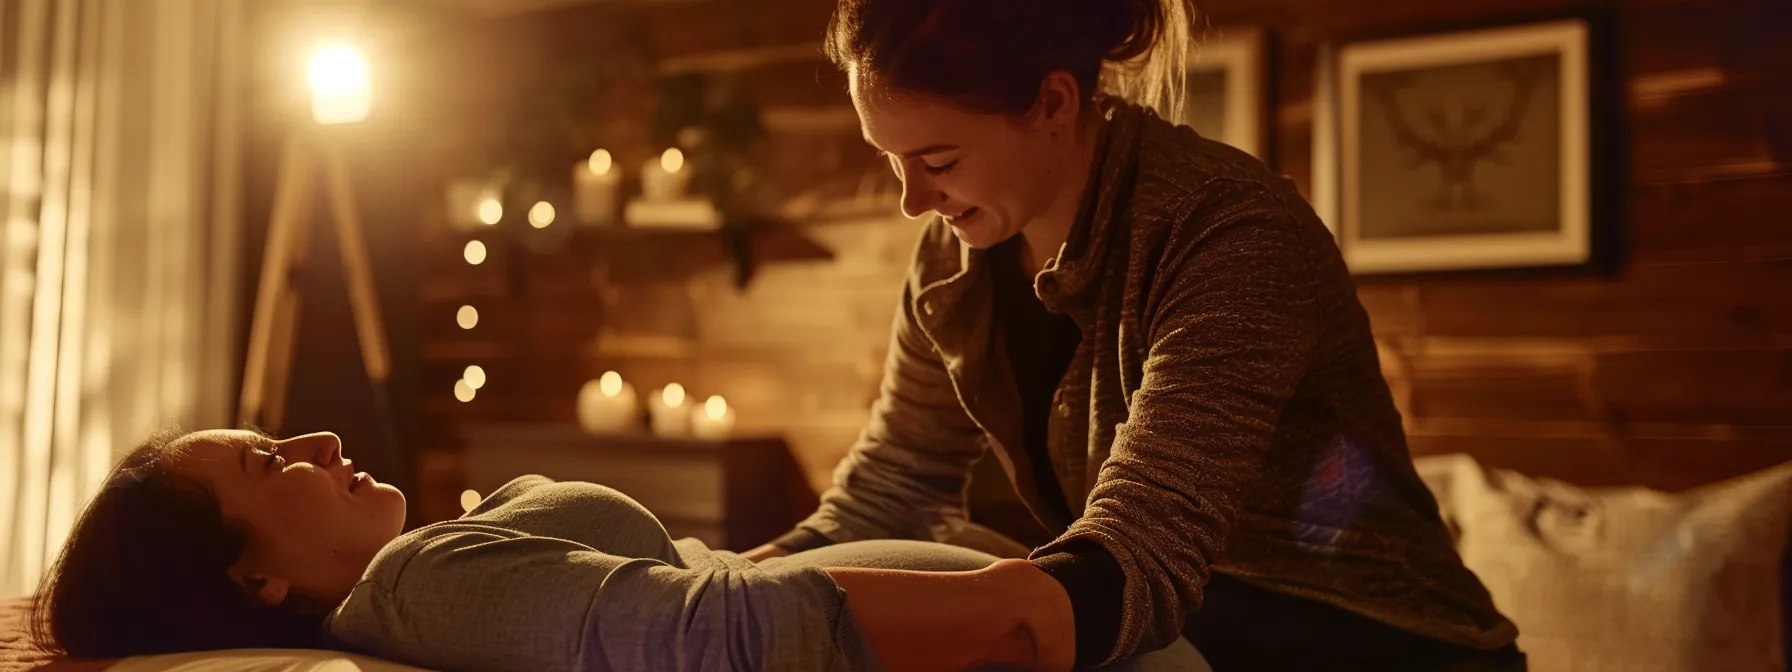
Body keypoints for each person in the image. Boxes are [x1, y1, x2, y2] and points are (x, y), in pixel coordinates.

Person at [738, 0, 1526, 670]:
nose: (913, 199)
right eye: (891, 160)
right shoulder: (954, 259)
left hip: (1370, 638)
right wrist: (726, 590)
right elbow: (894, 491)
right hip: (1180, 620)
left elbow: (1142, 547)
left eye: (938, 158)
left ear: (1051, 104)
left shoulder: (1230, 231)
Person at [30, 428, 1209, 671]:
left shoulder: (420, 578)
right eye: (268, 462)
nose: (319, 437)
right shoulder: (423, 588)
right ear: (254, 579)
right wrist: (1033, 602)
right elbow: (722, 633)